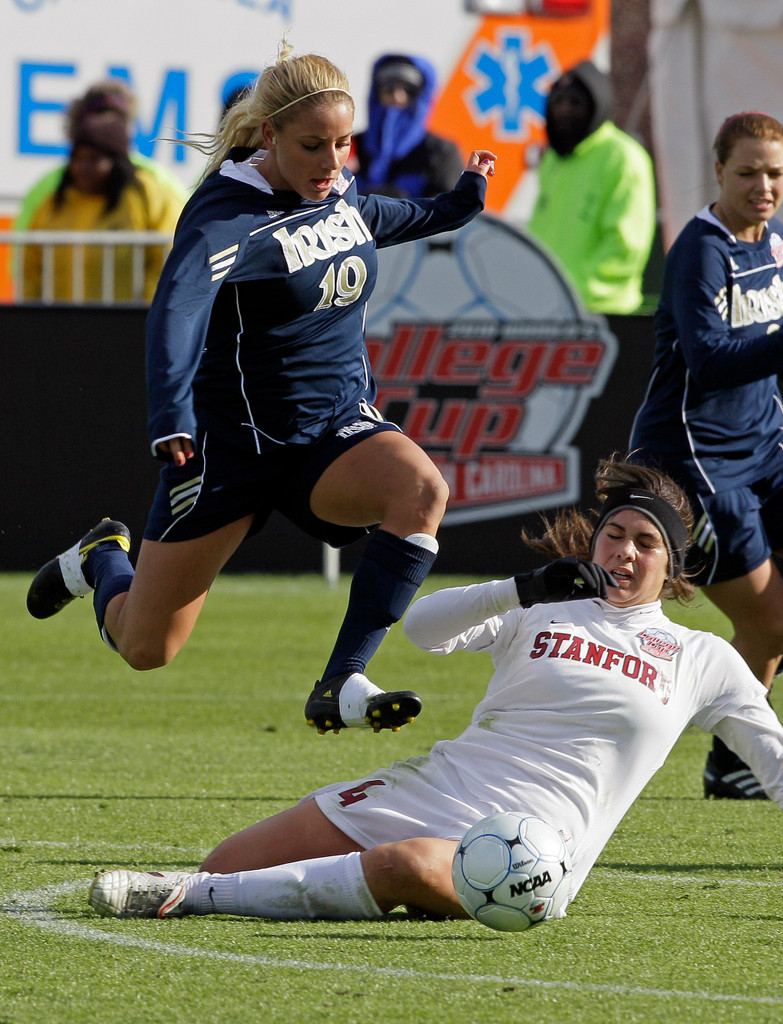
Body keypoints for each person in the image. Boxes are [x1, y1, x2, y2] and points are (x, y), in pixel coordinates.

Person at [84, 457, 783, 925]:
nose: (624, 551)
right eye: (615, 533)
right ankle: (103, 563)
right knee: (234, 859)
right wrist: (520, 588)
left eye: (646, 544)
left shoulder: (700, 656)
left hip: (531, 849)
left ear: (675, 565)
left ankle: (185, 900)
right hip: (434, 785)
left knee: (397, 867)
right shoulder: (540, 602)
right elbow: (421, 628)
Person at [26, 40, 497, 738]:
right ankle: (102, 561)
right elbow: (178, 307)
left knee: (420, 491)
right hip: (231, 450)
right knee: (145, 649)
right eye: (313, 145)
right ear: (269, 134)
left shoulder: (335, 190)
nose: (332, 161)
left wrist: (460, 202)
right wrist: (170, 410)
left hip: (330, 431)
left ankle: (340, 678)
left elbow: (381, 218)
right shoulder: (226, 213)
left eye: (342, 143)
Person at [628, 111, 783, 800]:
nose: (761, 186)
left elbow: (767, 329)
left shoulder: (770, 238)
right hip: (697, 460)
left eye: (774, 172)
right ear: (717, 172)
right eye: (746, 172)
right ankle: (733, 752)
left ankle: (732, 702)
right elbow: (710, 362)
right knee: (765, 624)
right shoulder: (698, 249)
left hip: (768, 446)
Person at [17, 80, 185, 302]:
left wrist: (148, 318)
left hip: (127, 328)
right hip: (58, 327)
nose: (82, 168)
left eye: (94, 159)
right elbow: (28, 265)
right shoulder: (51, 193)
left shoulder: (151, 189)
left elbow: (167, 261)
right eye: (77, 158)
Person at [527, 60, 656, 316]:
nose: (564, 111)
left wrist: (569, 293)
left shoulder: (623, 157)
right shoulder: (555, 158)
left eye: (575, 103)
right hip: (550, 310)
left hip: (601, 315)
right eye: (558, 102)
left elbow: (625, 248)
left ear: (597, 105)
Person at [347, 54, 464, 200]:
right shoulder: (349, 146)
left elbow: (451, 209)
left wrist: (401, 206)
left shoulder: (441, 152)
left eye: (408, 90)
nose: (397, 97)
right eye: (389, 89)